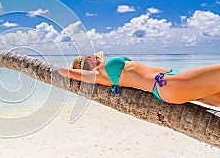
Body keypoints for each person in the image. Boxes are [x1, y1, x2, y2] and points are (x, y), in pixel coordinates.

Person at [58, 52, 220, 107]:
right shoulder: (97, 75)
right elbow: (64, 71)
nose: (92, 56)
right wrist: (75, 69)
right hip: (167, 84)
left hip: (172, 80)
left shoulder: (102, 71)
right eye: (87, 58)